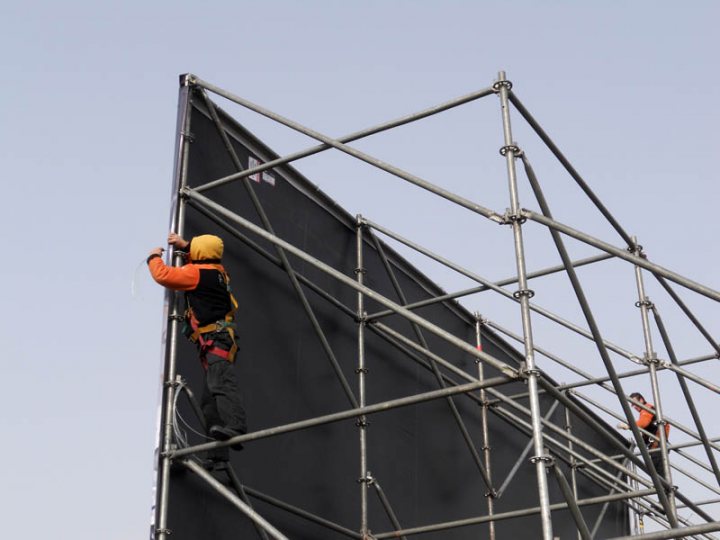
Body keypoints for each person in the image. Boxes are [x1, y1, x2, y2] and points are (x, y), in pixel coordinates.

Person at [148, 232, 247, 459]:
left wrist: (153, 257)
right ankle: (217, 457)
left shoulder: (196, 273)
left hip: (215, 340)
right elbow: (201, 258)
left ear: (199, 253)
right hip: (219, 339)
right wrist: (185, 247)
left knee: (221, 385)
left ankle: (237, 426)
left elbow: (164, 275)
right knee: (211, 399)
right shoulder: (218, 271)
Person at [617, 392, 670, 478]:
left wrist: (628, 426)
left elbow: (643, 423)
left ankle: (665, 487)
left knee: (657, 468)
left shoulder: (647, 409)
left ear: (641, 400)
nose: (633, 406)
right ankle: (664, 486)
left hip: (657, 445)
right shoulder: (649, 410)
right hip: (657, 444)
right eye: (632, 404)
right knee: (655, 467)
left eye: (634, 403)